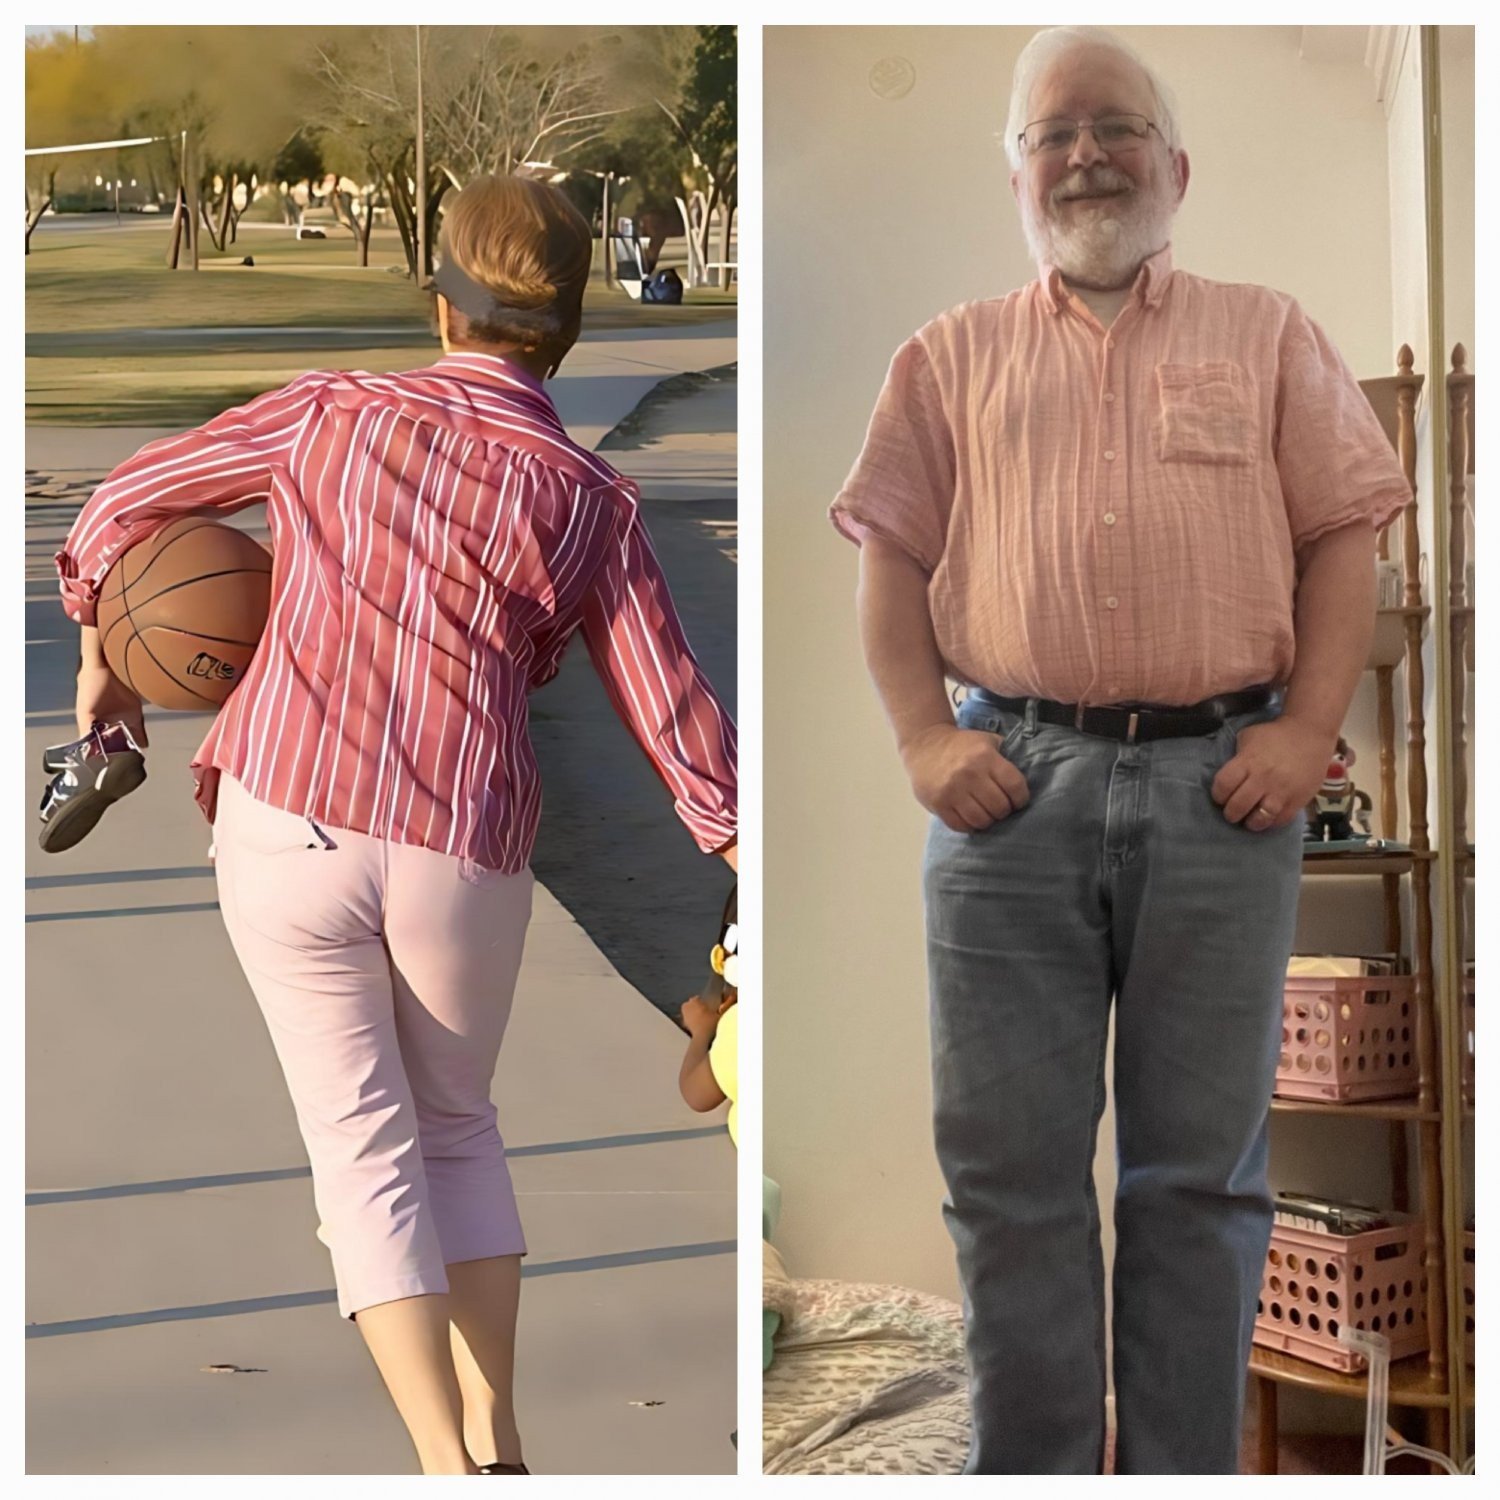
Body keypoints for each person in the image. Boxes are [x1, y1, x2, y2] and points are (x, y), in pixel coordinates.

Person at [55, 174, 737, 1476]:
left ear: (442, 306)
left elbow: (126, 504)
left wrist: (104, 634)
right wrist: (738, 844)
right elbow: (673, 707)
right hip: (462, 852)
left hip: (291, 819)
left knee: (361, 1151)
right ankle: (500, 1433)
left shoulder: (332, 412)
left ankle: (442, 1461)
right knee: (460, 1131)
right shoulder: (591, 501)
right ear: (569, 330)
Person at [830, 26, 1409, 1475]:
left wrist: (1306, 730)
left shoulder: (1270, 333)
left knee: (1199, 1187)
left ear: (1177, 163)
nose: (1088, 153)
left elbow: (1348, 532)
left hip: (1226, 795)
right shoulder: (947, 358)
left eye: (1117, 126)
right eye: (1055, 132)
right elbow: (889, 561)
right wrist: (918, 742)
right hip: (1006, 796)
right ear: (1016, 173)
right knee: (1010, 1184)